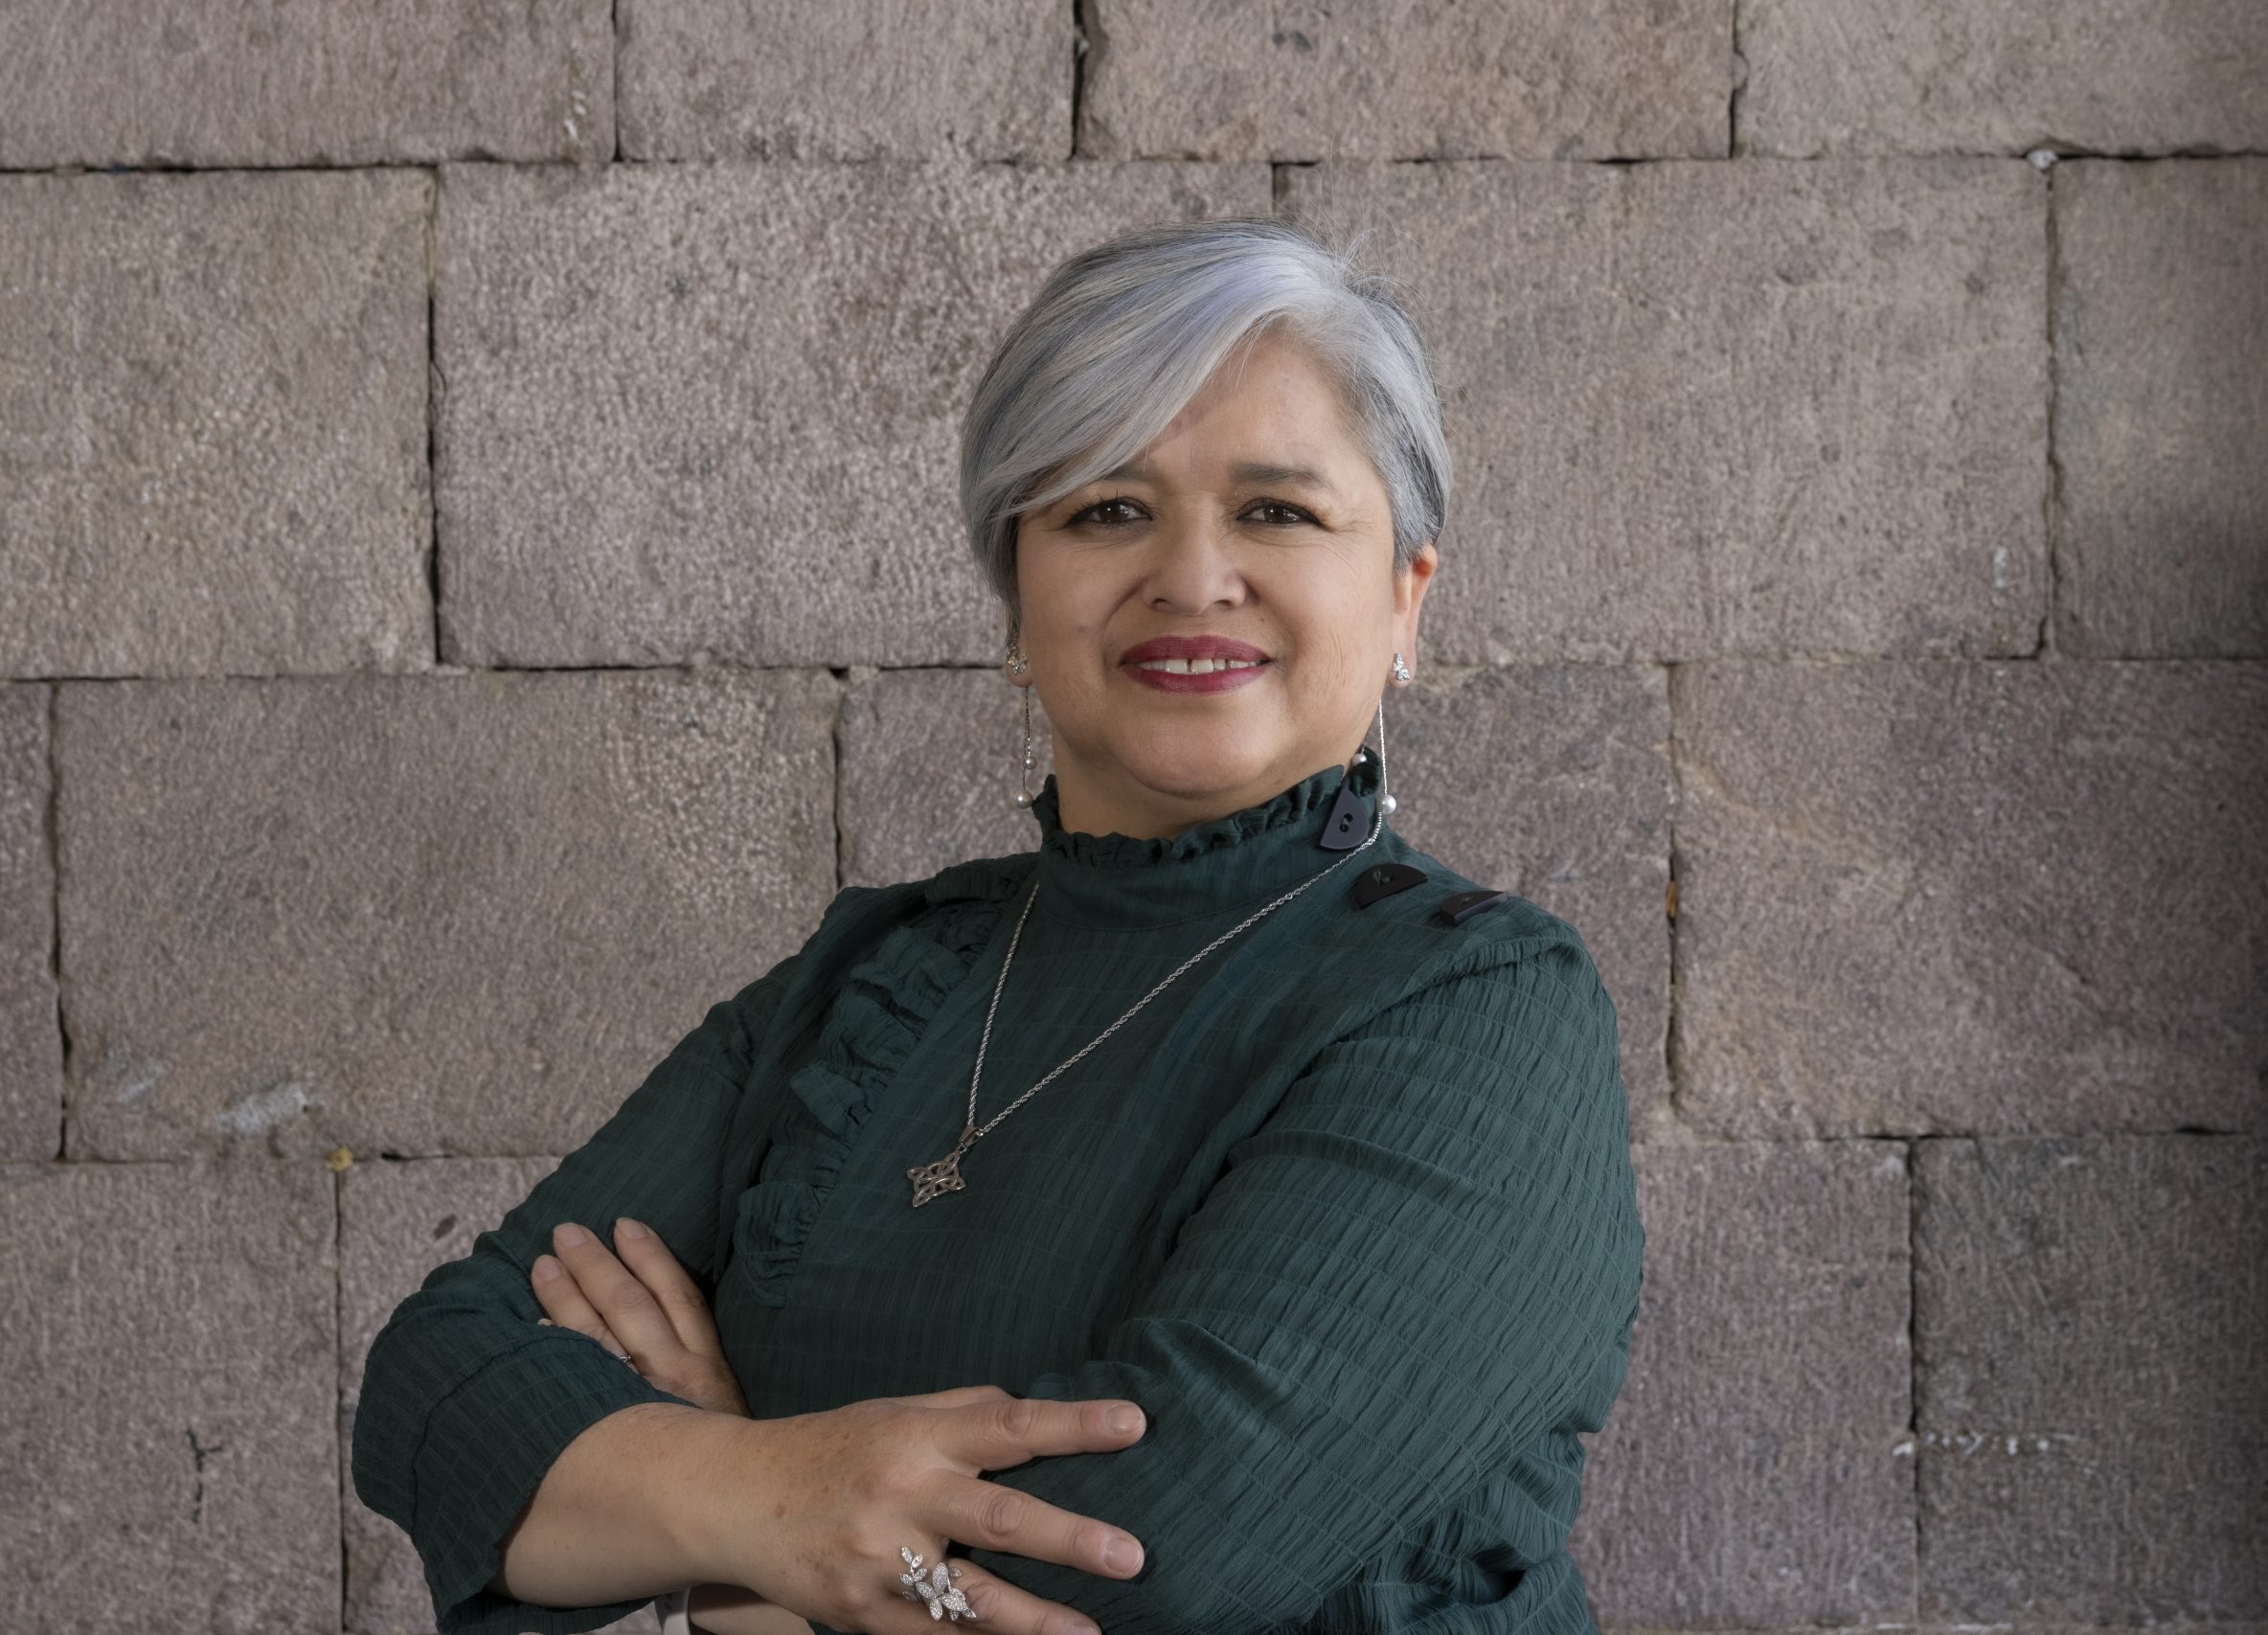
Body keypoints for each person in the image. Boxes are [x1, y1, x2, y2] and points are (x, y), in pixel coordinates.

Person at [352, 213, 1646, 1635]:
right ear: (1016, 600)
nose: (1190, 576)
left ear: (1406, 596)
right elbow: (437, 1385)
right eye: (1106, 510)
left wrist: (708, 1535)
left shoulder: (1480, 1007)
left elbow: (1152, 1564)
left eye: (1276, 511)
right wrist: (761, 1499)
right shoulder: (876, 974)